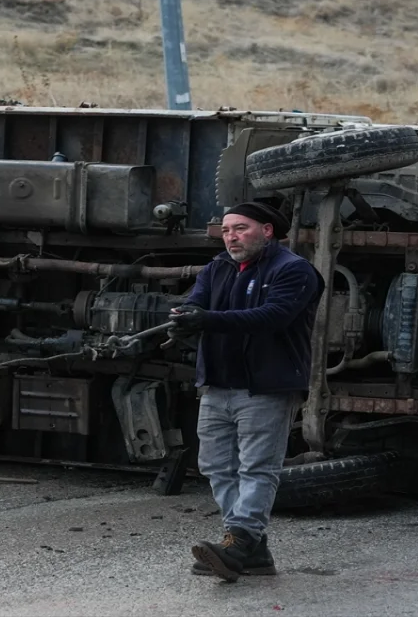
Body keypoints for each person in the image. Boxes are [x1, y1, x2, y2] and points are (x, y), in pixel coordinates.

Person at [167, 201, 324, 582]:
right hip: (218, 383)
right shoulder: (217, 267)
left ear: (267, 230)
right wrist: (185, 317)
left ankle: (237, 543)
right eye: (226, 230)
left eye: (240, 228)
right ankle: (253, 552)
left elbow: (273, 317)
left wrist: (207, 320)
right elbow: (194, 303)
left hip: (266, 387)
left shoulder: (294, 270)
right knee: (217, 467)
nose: (231, 236)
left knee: (257, 468)